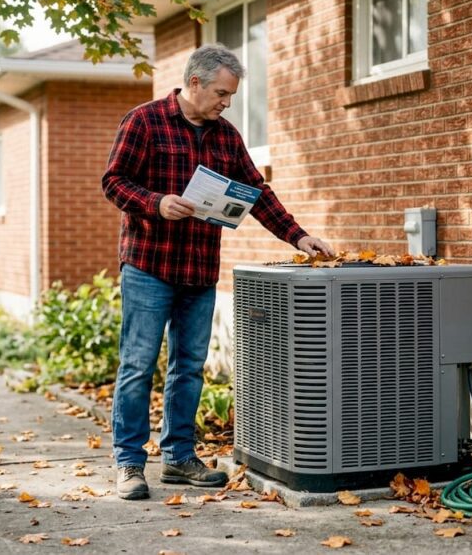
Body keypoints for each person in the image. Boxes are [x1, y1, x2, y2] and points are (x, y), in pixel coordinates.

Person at [101, 44, 333, 500]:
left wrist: (298, 236)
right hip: (148, 266)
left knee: (188, 369)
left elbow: (256, 192)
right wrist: (157, 203)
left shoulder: (225, 136)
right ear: (195, 83)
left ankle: (179, 458)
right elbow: (113, 180)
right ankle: (129, 464)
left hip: (199, 271)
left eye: (230, 95)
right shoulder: (144, 121)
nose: (227, 103)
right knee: (138, 365)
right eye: (222, 93)